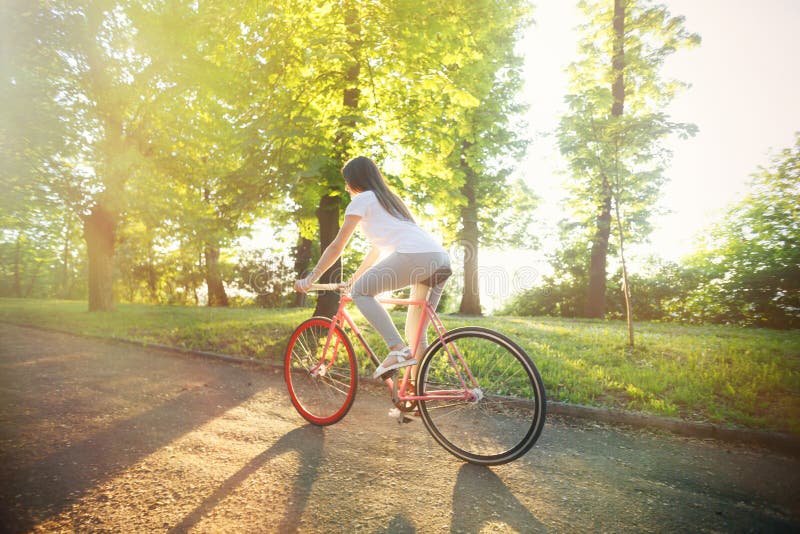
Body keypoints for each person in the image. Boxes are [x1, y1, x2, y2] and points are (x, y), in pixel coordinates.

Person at [294, 156, 451, 378]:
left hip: (416, 256)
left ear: (355, 180)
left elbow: (337, 245)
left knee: (361, 292)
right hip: (439, 258)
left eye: (347, 181)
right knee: (415, 334)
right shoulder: (391, 200)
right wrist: (353, 279)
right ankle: (416, 400)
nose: (347, 186)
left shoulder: (362, 199)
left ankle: (397, 350)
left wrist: (311, 277)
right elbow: (376, 251)